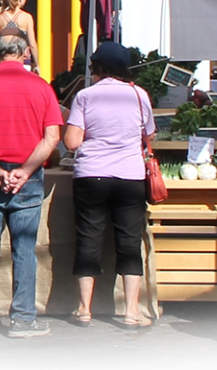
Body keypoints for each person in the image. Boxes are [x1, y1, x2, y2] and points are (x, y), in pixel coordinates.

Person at [0, 29, 62, 338]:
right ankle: (22, 318)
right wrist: (27, 170)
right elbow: (52, 137)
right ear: (25, 53)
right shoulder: (42, 88)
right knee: (24, 249)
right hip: (26, 177)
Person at [63, 41, 155, 329]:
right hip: (130, 176)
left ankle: (84, 309)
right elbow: (149, 134)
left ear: (99, 68)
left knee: (88, 239)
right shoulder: (139, 96)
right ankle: (131, 311)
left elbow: (72, 142)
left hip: (92, 175)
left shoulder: (85, 96)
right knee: (129, 243)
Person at [0, 0, 38, 71]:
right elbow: (32, 44)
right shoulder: (26, 17)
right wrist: (37, 65)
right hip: (23, 59)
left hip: (3, 60)